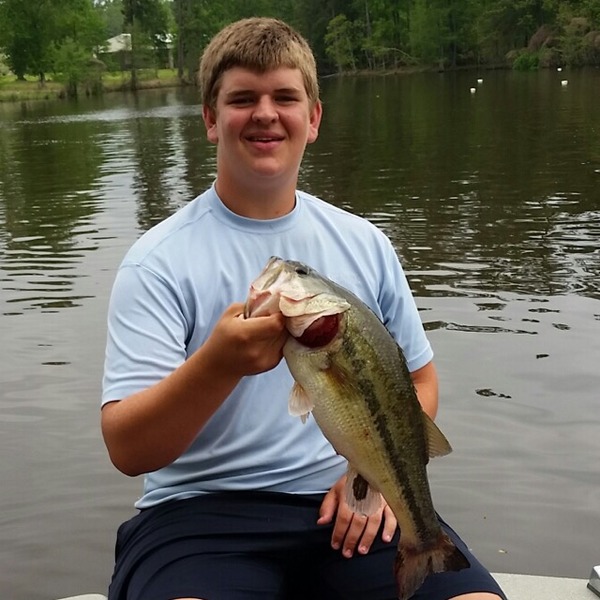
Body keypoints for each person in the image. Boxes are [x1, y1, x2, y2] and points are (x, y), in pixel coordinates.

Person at [101, 16, 506, 600]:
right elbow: (128, 450)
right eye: (242, 98)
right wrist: (217, 365)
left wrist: (367, 479)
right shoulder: (157, 262)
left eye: (285, 97)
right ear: (211, 119)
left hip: (346, 507)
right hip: (200, 517)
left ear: (313, 118)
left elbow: (419, 381)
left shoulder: (364, 242)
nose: (265, 113)